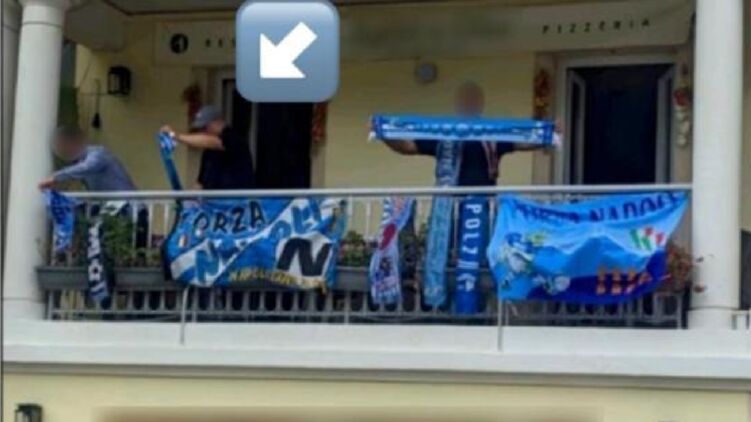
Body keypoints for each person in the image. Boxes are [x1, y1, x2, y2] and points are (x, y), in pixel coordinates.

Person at [376, 81, 558, 186]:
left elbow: (522, 142)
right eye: (465, 100)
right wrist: (383, 134)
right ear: (457, 105)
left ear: (480, 104)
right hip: (448, 205)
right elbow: (408, 147)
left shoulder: (492, 134)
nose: (468, 103)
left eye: (473, 100)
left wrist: (549, 135)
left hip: (483, 204)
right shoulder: (443, 133)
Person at [161, 105, 255, 190]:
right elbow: (200, 182)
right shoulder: (208, 151)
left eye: (205, 127)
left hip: (236, 200)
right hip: (212, 201)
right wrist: (189, 199)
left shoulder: (233, 138)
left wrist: (175, 136)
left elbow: (214, 142)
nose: (203, 131)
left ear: (218, 121)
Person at [38, 126, 137, 191]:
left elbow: (88, 167)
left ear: (73, 142)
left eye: (64, 146)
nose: (64, 151)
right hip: (115, 209)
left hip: (130, 207)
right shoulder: (80, 165)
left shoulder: (98, 153)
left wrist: (56, 177)